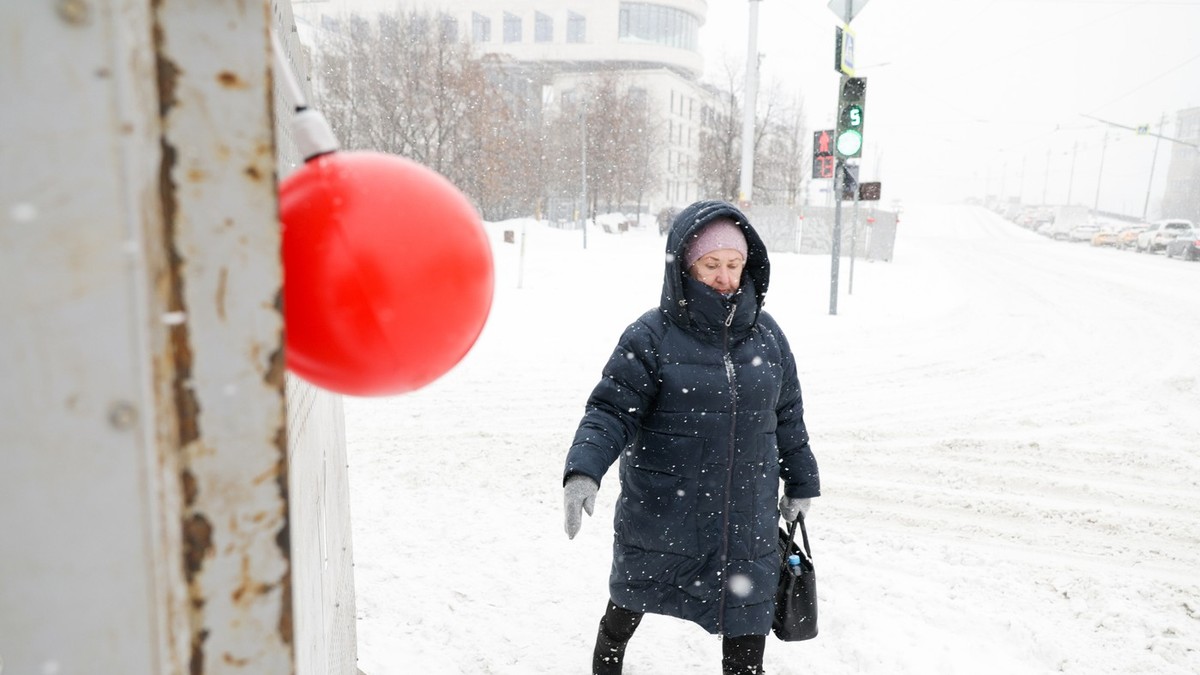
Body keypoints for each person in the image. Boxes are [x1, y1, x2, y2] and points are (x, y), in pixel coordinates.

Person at [562, 199, 821, 675]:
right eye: (711, 265)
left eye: (734, 264)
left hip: (746, 516)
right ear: (686, 265)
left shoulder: (768, 337)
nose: (725, 277)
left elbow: (788, 415)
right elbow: (610, 410)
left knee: (747, 631)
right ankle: (606, 664)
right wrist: (584, 471)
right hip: (664, 511)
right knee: (626, 608)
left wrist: (802, 482)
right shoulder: (650, 336)